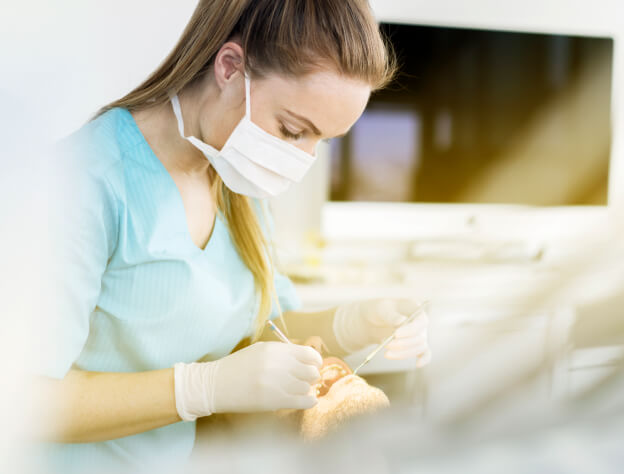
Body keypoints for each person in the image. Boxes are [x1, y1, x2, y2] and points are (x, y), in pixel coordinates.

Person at [34, 1, 430, 472]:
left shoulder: (234, 176)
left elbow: (263, 329)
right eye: (293, 130)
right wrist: (202, 388)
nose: (301, 161)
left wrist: (354, 323)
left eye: (321, 141)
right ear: (229, 67)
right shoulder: (83, 181)